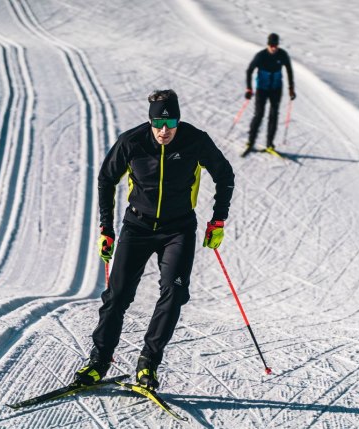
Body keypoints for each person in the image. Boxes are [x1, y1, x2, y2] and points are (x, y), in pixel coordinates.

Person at [74, 89, 235, 390]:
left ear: (178, 120)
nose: (164, 130)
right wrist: (106, 228)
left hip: (178, 229)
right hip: (137, 226)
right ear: (150, 121)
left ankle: (148, 362)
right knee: (117, 296)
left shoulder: (195, 140)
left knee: (174, 293)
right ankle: (99, 360)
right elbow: (106, 179)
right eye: (158, 123)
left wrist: (218, 220)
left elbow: (225, 175)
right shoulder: (131, 142)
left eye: (170, 123)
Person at [244, 32, 296, 153]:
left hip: (276, 89)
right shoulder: (260, 56)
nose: (273, 48)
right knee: (259, 114)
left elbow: (289, 70)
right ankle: (250, 141)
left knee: (274, 115)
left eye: (275, 45)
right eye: (271, 45)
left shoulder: (282, 55)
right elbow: (249, 71)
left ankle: (269, 144)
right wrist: (249, 88)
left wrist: (291, 88)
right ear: (268, 44)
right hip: (262, 89)